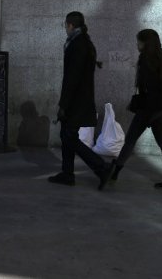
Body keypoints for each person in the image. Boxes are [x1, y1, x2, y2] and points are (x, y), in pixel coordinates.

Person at [48, 11, 114, 190]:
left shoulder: (77, 44)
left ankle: (102, 168)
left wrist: (64, 104)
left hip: (76, 101)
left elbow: (72, 78)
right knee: (67, 135)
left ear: (70, 25)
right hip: (79, 99)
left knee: (69, 137)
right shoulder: (85, 42)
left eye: (65, 26)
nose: (65, 29)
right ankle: (67, 174)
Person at [110, 29, 162, 189]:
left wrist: (145, 113)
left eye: (139, 42)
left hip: (149, 108)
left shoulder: (145, 60)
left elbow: (147, 87)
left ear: (145, 43)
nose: (137, 44)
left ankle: (114, 172)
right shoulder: (159, 58)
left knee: (130, 140)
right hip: (161, 106)